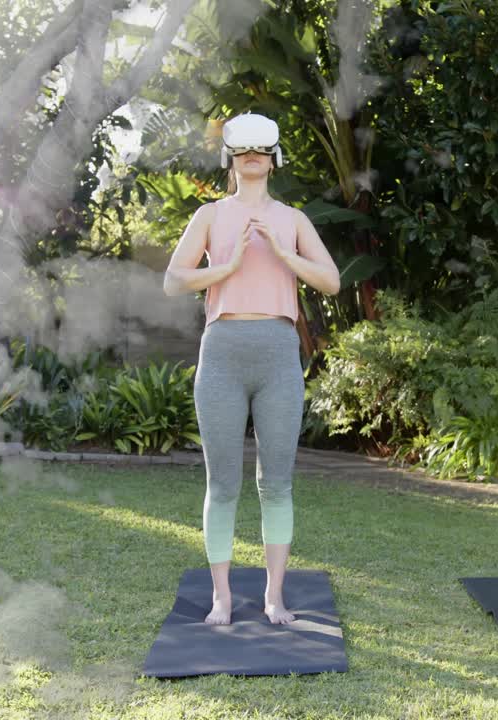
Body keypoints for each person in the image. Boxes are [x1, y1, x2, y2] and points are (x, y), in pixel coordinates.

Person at [163, 113, 340, 625]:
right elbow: (175, 281)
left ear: (274, 158)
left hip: (279, 352)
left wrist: (285, 254)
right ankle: (221, 597)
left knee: (277, 482)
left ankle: (273, 596)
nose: (252, 158)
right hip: (222, 352)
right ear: (231, 159)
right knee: (222, 483)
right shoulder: (210, 215)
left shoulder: (294, 219)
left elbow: (329, 281)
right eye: (243, 151)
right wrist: (227, 266)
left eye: (261, 151)